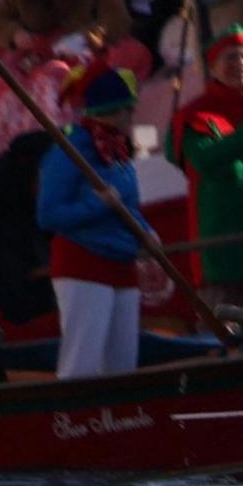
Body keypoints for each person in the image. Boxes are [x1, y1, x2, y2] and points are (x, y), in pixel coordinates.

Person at [35, 67, 147, 380]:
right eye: (129, 109)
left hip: (123, 265)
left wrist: (146, 231)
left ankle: (122, 423)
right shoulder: (68, 152)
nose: (133, 116)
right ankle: (74, 423)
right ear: (116, 112)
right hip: (83, 264)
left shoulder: (120, 150)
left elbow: (128, 205)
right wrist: (96, 204)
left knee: (123, 367)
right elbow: (48, 215)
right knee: (81, 366)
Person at [175, 31, 243, 313]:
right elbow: (205, 159)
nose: (241, 64)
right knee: (224, 332)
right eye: (231, 57)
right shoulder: (195, 115)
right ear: (213, 67)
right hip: (223, 252)